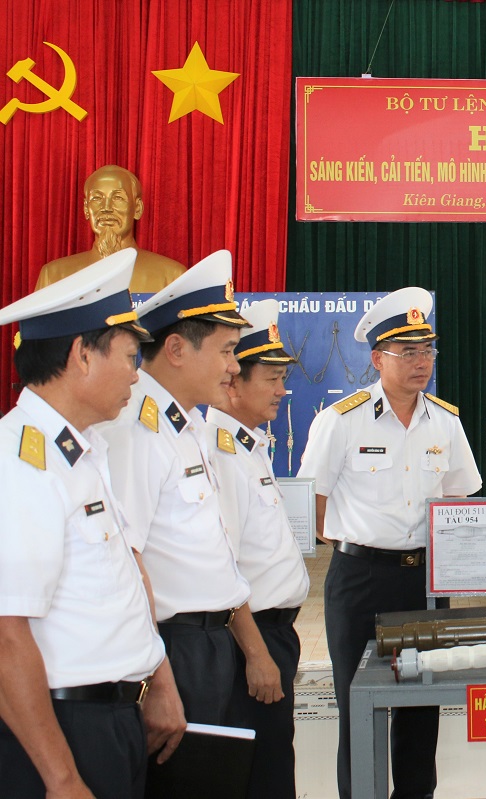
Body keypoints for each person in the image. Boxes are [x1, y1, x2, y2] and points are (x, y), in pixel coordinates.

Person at [0, 250, 186, 798]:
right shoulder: (22, 462)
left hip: (111, 721)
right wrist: (61, 779)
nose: (137, 373)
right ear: (82, 355)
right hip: (62, 732)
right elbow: (7, 638)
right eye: (129, 356)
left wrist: (156, 680)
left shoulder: (81, 453)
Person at [297, 286, 482, 799]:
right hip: (360, 581)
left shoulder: (446, 422)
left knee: (422, 710)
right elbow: (311, 506)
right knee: (359, 707)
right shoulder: (341, 421)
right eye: (408, 352)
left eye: (428, 351)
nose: (422, 362)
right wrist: (360, 543)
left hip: (425, 583)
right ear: (378, 358)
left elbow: (458, 500)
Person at [97, 250, 277, 729]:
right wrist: (157, 679)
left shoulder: (186, 426)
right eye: (226, 351)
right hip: (172, 649)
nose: (234, 367)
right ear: (176, 350)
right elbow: (127, 562)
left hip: (208, 643)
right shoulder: (137, 429)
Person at [206, 299, 310, 799]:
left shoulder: (247, 445)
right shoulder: (220, 453)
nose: (282, 390)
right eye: (271, 379)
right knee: (261, 776)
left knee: (273, 766)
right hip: (251, 638)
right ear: (233, 383)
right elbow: (221, 568)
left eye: (282, 378)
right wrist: (257, 654)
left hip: (273, 633)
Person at [37, 165, 186, 293]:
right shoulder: (54, 276)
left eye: (118, 198)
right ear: (86, 209)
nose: (106, 208)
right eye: (97, 198)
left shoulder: (171, 276)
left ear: (137, 209)